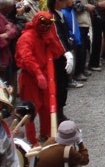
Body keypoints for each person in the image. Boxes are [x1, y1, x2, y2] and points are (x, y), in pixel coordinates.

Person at [15, 11, 70, 144]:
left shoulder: (45, 35)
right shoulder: (26, 37)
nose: (45, 27)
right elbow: (26, 58)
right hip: (30, 77)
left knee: (47, 106)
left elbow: (56, 53)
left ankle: (46, 134)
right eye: (43, 24)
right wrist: (37, 73)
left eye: (48, 25)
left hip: (45, 76)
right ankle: (31, 139)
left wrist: (51, 40)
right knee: (31, 109)